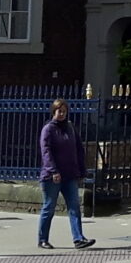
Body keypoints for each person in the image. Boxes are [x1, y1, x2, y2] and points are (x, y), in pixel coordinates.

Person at [36, 99, 96, 251]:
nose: (62, 114)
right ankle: (43, 239)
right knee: (49, 207)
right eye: (59, 111)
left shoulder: (70, 127)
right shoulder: (48, 129)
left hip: (70, 175)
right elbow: (46, 152)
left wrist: (81, 170)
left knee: (74, 207)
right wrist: (53, 171)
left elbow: (78, 149)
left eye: (64, 111)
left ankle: (78, 239)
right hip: (52, 177)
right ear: (54, 112)